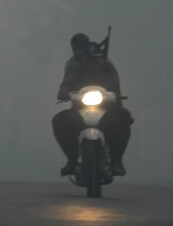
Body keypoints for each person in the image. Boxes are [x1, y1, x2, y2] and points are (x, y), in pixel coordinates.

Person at [51, 32, 133, 177]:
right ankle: (71, 159)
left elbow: (115, 84)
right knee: (58, 121)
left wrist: (99, 68)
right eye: (76, 48)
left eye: (81, 48)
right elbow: (66, 84)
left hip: (107, 108)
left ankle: (116, 160)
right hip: (79, 109)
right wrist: (64, 92)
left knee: (124, 119)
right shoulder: (74, 66)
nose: (80, 52)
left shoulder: (105, 64)